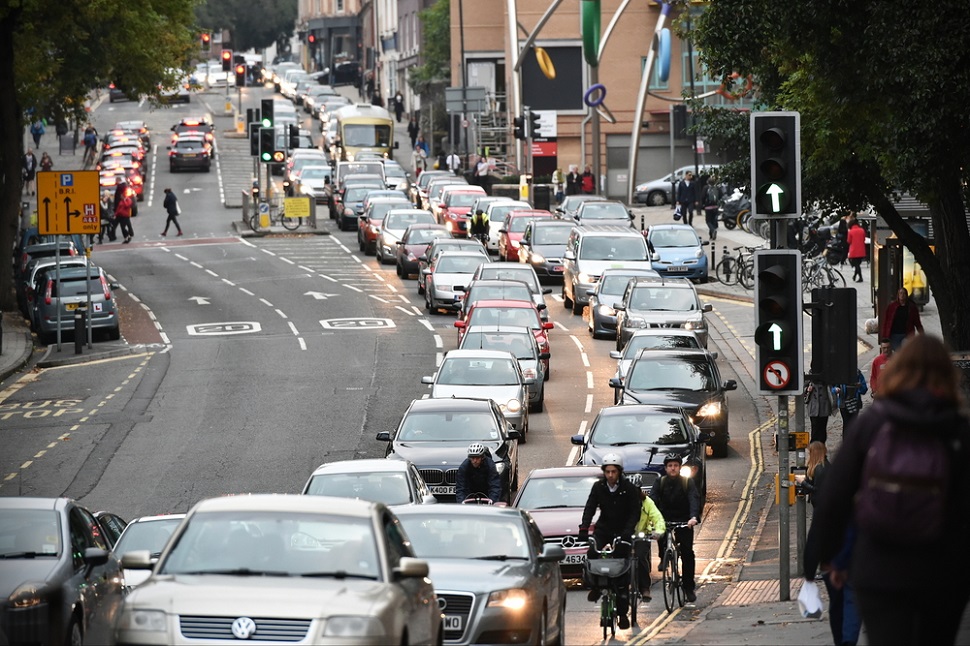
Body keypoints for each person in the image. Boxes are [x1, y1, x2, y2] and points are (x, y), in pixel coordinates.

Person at [815, 335, 970, 645]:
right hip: (944, 572)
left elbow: (834, 498)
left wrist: (833, 560)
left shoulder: (873, 423)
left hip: (879, 568)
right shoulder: (960, 430)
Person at [578, 453, 640, 630]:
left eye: (613, 472)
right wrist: (584, 528)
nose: (610, 475)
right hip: (604, 528)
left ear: (619, 472)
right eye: (607, 472)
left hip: (622, 530)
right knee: (592, 553)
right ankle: (596, 586)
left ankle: (622, 613)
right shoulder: (599, 487)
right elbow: (590, 507)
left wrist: (627, 533)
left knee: (621, 565)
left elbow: (634, 512)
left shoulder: (628, 488)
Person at [650, 454, 701, 603]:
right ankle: (663, 556)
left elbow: (693, 498)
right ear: (666, 468)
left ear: (679, 467)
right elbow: (652, 500)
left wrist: (693, 517)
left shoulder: (687, 482)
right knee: (661, 535)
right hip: (664, 519)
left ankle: (688, 587)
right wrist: (652, 519)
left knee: (687, 553)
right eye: (670, 466)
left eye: (676, 466)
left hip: (684, 520)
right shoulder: (660, 482)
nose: (673, 468)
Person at [634, 490, 665, 602]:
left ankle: (645, 588)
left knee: (641, 557)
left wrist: (659, 531)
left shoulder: (647, 502)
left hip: (642, 535)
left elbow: (657, 517)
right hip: (625, 535)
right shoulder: (621, 500)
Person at [804, 378, 832, 445]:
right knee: (815, 429)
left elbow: (832, 387)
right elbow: (801, 389)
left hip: (824, 407)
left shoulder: (826, 376)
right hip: (813, 408)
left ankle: (821, 449)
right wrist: (807, 389)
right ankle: (814, 450)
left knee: (822, 430)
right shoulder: (809, 377)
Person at [802, 441, 830, 506]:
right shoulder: (824, 465)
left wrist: (802, 482)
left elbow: (817, 489)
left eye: (810, 453)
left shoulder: (820, 469)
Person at [701, 174, 721, 240]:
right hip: (715, 206)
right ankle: (711, 235)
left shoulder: (705, 188)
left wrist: (703, 204)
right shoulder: (717, 188)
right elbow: (720, 195)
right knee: (713, 221)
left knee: (708, 221)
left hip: (708, 207)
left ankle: (713, 230)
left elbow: (703, 196)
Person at [846, 216, 866, 282]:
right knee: (858, 264)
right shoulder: (862, 230)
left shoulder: (851, 231)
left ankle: (860, 277)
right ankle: (854, 276)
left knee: (856, 265)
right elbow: (864, 239)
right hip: (861, 250)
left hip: (854, 250)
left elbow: (849, 241)